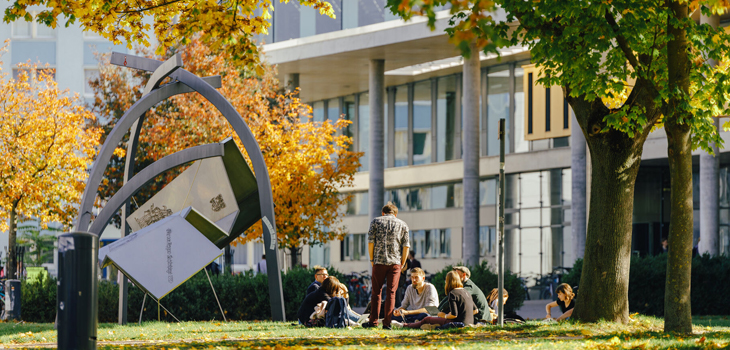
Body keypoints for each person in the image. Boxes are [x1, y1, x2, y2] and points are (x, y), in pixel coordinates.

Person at [362, 202, 410, 330]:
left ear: (383, 213)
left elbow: (370, 242)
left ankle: (373, 322)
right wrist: (402, 263)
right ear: (395, 214)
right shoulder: (403, 224)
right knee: (391, 293)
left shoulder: (375, 221)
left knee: (376, 293)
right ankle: (387, 324)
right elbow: (406, 247)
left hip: (379, 261)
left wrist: (372, 259)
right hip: (395, 263)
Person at [403, 271, 478, 330]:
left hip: (457, 323)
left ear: (448, 281)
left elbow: (454, 315)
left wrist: (444, 315)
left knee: (427, 319)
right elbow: (476, 310)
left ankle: (405, 325)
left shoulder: (453, 293)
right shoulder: (465, 291)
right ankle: (433, 326)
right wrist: (463, 315)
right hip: (469, 323)